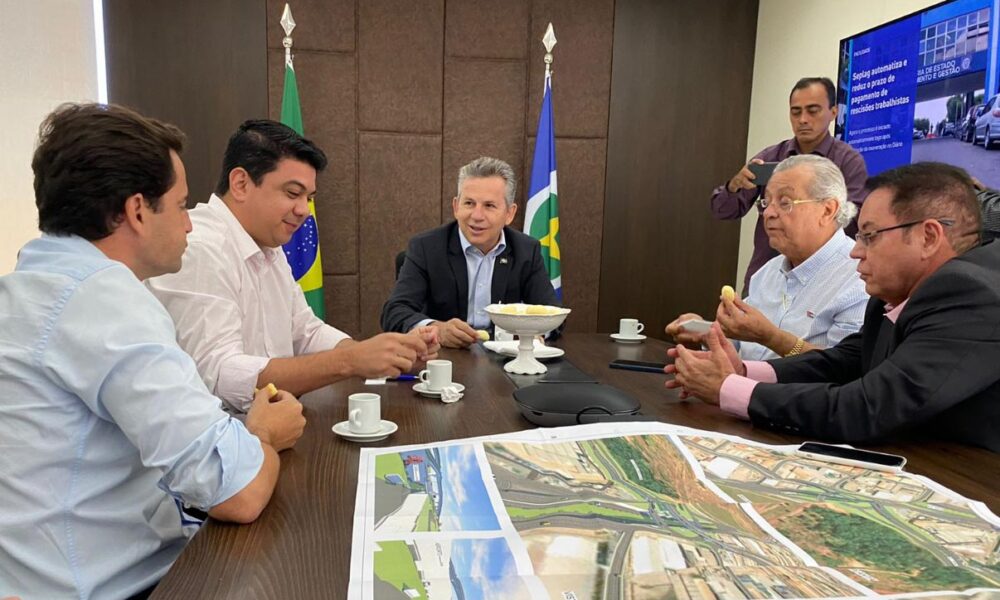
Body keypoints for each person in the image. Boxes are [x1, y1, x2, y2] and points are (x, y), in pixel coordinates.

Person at [0, 103, 306, 598]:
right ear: (138, 211)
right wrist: (263, 435)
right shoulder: (103, 300)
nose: (189, 225)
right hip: (116, 584)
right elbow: (239, 492)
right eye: (182, 205)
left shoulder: (24, 289)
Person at [668, 162, 1000, 451]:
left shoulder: (969, 293)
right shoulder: (897, 289)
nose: (856, 252)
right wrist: (743, 372)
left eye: (869, 236)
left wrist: (729, 389)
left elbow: (867, 408)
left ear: (928, 237)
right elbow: (843, 362)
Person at [147, 120, 439, 411]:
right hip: (225, 440)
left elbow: (306, 331)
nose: (303, 210)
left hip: (273, 427)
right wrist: (350, 361)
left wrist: (379, 355)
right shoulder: (200, 248)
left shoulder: (269, 246)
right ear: (241, 184)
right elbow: (222, 375)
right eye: (292, 193)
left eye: (308, 198)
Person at [667, 155, 868, 360]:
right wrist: (707, 332)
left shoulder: (860, 278)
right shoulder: (766, 273)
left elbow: (845, 370)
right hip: (741, 389)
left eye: (784, 202)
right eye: (767, 202)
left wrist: (771, 337)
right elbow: (739, 346)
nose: (768, 213)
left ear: (827, 210)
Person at [380, 156, 559, 348]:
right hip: (444, 358)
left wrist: (531, 334)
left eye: (489, 206)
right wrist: (436, 329)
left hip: (505, 361)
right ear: (456, 207)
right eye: (469, 203)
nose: (477, 216)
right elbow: (394, 312)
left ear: (509, 213)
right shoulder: (426, 248)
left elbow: (553, 315)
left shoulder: (526, 250)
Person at [712, 77, 868, 293]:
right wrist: (733, 186)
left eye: (813, 111)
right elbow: (723, 211)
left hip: (823, 279)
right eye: (796, 112)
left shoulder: (847, 162)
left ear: (833, 113)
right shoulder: (769, 158)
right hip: (766, 275)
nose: (803, 119)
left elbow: (853, 221)